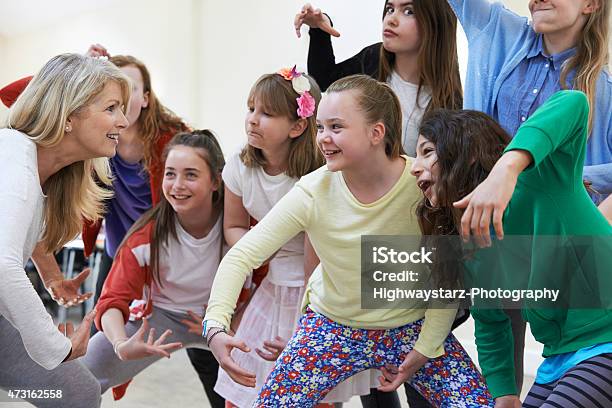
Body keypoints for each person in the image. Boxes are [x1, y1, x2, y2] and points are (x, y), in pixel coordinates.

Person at [204, 75, 493, 407]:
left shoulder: (422, 183)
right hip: (332, 327)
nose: (324, 138)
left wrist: (426, 347)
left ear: (376, 133)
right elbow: (241, 256)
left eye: (336, 127)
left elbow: (446, 276)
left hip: (410, 325)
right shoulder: (313, 191)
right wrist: (216, 327)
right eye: (321, 127)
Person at [411, 90, 612, 407]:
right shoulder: (470, 241)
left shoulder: (542, 179)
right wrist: (504, 394)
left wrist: (508, 165)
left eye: (427, 151)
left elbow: (574, 103)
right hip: (560, 356)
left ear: (468, 152)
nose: (415, 166)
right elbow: (491, 322)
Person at [0, 53, 130, 408]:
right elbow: (3, 265)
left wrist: (53, 276)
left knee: (76, 392)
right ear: (69, 115)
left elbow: (17, 232)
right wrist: (57, 346)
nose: (123, 120)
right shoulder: (14, 159)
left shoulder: (36, 169)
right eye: (112, 108)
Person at [83, 130, 226, 407]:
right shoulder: (146, 237)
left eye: (191, 175)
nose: (177, 185)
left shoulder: (236, 229)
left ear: (216, 181)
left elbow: (261, 283)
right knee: (77, 379)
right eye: (170, 174)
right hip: (160, 318)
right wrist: (121, 342)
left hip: (222, 320)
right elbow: (112, 300)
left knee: (256, 391)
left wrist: (229, 324)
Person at [294, 0, 462, 156]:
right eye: (390, 9)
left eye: (409, 11)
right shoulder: (373, 58)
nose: (391, 20)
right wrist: (319, 31)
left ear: (436, 23)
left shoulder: (450, 101)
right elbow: (324, 80)